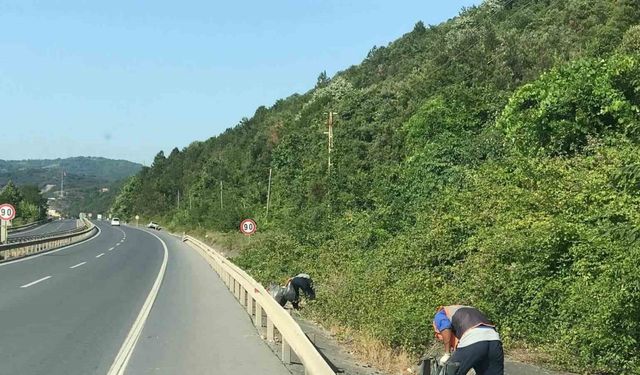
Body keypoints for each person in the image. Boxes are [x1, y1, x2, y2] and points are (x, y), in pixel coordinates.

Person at [433, 305, 504, 375]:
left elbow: (445, 327)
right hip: (494, 340)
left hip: (472, 340)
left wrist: (447, 354)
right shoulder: (469, 309)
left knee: (449, 371)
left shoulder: (440, 314)